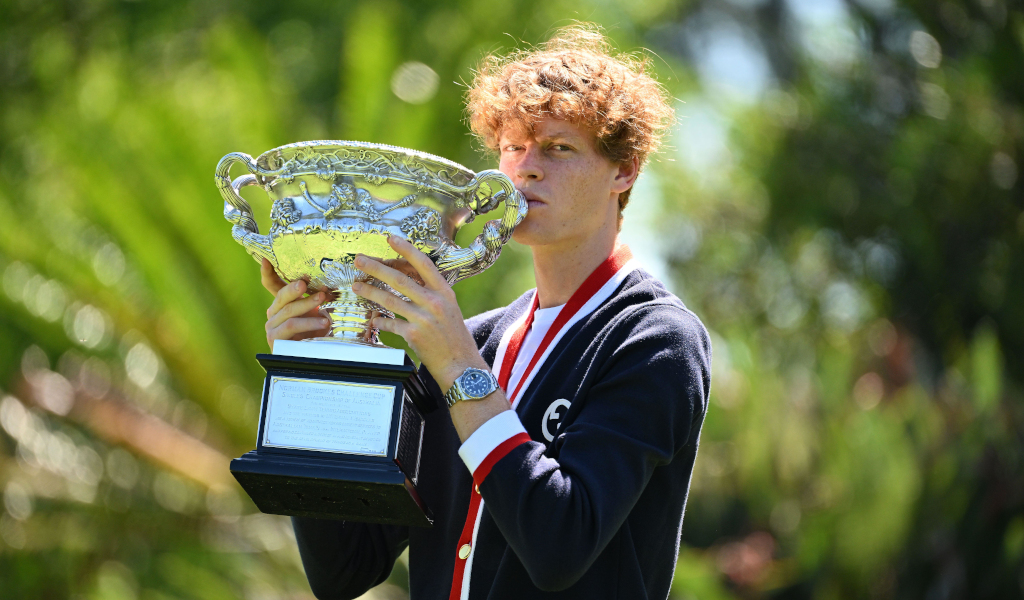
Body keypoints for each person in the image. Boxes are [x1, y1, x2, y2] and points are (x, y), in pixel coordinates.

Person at [260, 25, 711, 600]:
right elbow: (345, 569)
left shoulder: (657, 339)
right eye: (513, 147)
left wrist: (457, 368)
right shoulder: (475, 339)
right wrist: (317, 369)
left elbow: (560, 545)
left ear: (624, 171)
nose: (526, 169)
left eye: (559, 148)